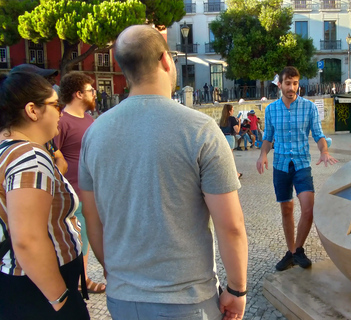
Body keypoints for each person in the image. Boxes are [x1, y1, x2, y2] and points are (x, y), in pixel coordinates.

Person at [79, 25, 248, 320]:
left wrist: (117, 275)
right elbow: (230, 225)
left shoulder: (94, 134)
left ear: (125, 68)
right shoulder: (201, 131)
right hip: (187, 302)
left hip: (122, 300)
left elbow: (92, 218)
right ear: (165, 60)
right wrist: (236, 291)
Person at [0, 71, 90, 319]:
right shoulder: (29, 157)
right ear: (32, 110)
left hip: (18, 284)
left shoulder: (1, 149)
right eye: (55, 105)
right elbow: (27, 240)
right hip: (38, 291)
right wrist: (61, 300)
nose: (60, 112)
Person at [256, 66, 338, 272]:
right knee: (287, 209)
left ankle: (297, 250)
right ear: (280, 84)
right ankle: (291, 251)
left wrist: (324, 151)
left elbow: (318, 135)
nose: (291, 88)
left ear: (298, 84)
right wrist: (263, 154)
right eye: (287, 83)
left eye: (295, 83)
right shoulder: (271, 110)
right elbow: (267, 137)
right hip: (281, 166)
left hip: (302, 164)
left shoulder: (309, 108)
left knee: (308, 208)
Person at [54, 71, 106, 294]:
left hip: (91, 192)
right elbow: (53, 154)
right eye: (90, 91)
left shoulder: (90, 120)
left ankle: (82, 278)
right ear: (78, 94)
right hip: (72, 194)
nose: (94, 94)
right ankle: (80, 280)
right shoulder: (61, 122)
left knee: (88, 237)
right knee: (79, 240)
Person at [220, 104, 242, 179]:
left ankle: (235, 173)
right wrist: (238, 121)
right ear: (229, 111)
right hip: (230, 137)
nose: (233, 111)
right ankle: (234, 174)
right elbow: (237, 130)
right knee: (230, 157)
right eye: (232, 110)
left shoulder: (222, 119)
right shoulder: (232, 119)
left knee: (227, 157)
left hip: (223, 138)